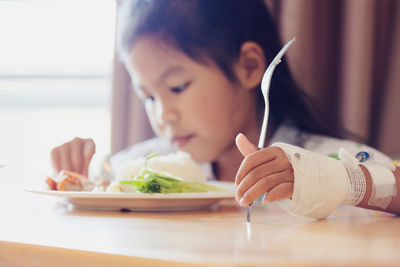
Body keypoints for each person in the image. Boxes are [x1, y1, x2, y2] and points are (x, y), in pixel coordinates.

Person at [50, 0, 400, 217]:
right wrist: (76, 171)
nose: (163, 116)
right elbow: (98, 185)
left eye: (177, 87)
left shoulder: (325, 158)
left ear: (248, 67)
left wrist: (329, 179)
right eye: (149, 97)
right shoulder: (149, 167)